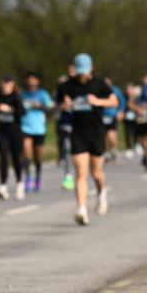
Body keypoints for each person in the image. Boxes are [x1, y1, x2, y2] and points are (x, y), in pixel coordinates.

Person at [57, 53, 118, 225]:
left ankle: (101, 193)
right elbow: (59, 103)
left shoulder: (99, 84)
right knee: (80, 172)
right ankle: (81, 209)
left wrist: (98, 101)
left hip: (96, 132)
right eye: (79, 71)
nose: (82, 75)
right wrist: (65, 104)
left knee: (96, 173)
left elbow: (114, 101)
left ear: (91, 68)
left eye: (84, 71)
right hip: (78, 133)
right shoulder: (68, 86)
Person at [21, 71, 54, 193]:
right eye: (29, 79)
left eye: (33, 79)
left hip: (39, 129)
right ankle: (28, 179)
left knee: (37, 156)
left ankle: (38, 179)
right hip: (25, 128)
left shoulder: (42, 94)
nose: (31, 82)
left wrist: (40, 106)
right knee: (26, 155)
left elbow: (51, 108)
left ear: (37, 81)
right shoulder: (22, 94)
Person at [0, 74, 25, 200]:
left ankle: (19, 183)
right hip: (2, 132)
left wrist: (9, 109)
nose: (6, 86)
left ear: (12, 84)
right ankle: (3, 185)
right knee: (4, 158)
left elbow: (22, 112)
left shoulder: (16, 97)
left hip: (15, 132)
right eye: (4, 83)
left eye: (8, 83)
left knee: (16, 158)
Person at [55, 64, 76, 190]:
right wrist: (62, 105)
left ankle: (80, 175)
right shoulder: (63, 86)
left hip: (81, 123)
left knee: (79, 151)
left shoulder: (85, 86)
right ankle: (68, 176)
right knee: (67, 147)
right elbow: (56, 103)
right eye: (69, 70)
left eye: (74, 70)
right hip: (66, 121)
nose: (71, 73)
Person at [103, 76, 126, 162]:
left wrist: (120, 112)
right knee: (103, 136)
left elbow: (122, 102)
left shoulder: (116, 90)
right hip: (102, 116)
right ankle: (106, 152)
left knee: (111, 136)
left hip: (112, 116)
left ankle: (113, 149)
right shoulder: (99, 90)